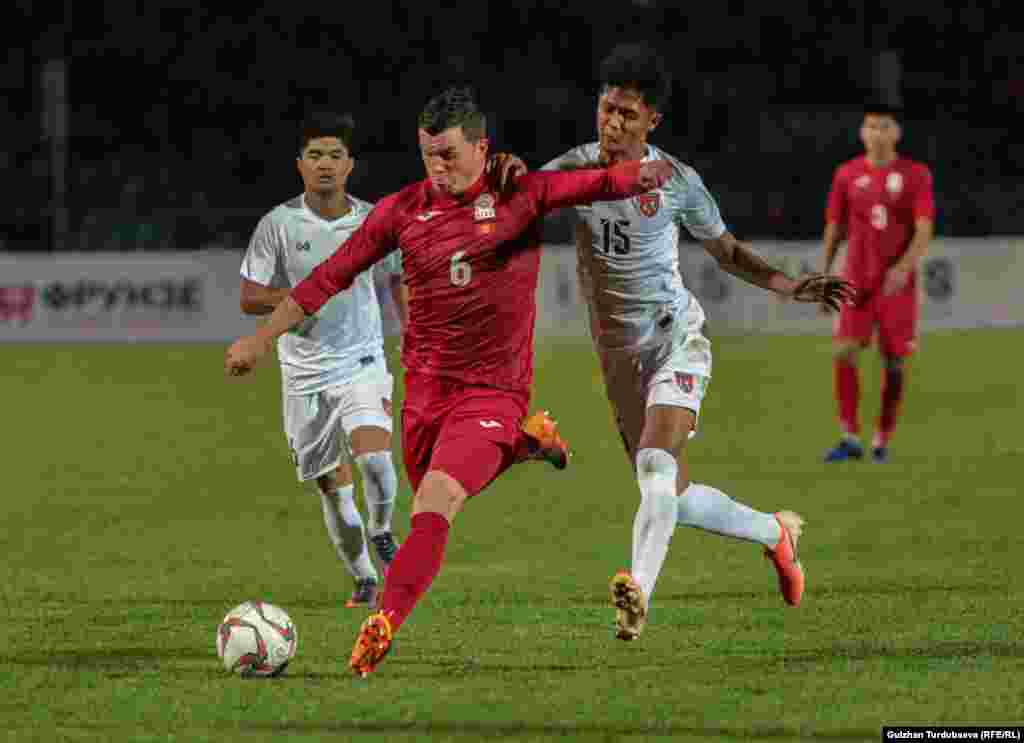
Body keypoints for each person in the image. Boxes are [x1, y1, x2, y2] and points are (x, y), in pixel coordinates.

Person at [225, 86, 676, 676]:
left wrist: (651, 171)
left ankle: (383, 623)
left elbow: (602, 182)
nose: (438, 167)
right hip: (425, 398)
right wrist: (261, 339)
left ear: (482, 149)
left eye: (450, 154)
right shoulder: (401, 212)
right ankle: (525, 442)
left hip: (492, 390)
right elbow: (326, 278)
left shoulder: (521, 194)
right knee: (431, 494)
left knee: (436, 501)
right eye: (428, 154)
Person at [542, 44, 856, 640]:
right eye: (607, 109)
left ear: (652, 121)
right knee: (670, 495)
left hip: (674, 340)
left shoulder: (679, 181)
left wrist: (791, 286)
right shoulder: (572, 171)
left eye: (628, 114)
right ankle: (775, 533)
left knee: (655, 466)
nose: (613, 123)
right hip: (618, 359)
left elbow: (728, 251)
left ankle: (636, 599)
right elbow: (521, 200)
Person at [239, 112, 406, 610]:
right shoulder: (278, 225)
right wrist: (300, 297)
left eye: (335, 155)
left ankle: (382, 530)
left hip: (361, 361)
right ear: (300, 164)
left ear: (350, 164)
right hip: (303, 372)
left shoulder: (374, 220)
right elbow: (249, 296)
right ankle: (364, 579)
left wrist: (414, 335)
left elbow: (400, 279)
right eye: (315, 155)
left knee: (375, 458)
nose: (325, 164)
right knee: (333, 487)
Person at [820, 103, 935, 464]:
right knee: (844, 350)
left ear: (896, 133)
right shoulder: (846, 174)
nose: (877, 133)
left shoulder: (916, 174)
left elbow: (924, 229)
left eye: (884, 126)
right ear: (862, 132)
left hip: (895, 285)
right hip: (856, 279)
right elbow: (835, 227)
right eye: (871, 126)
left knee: (894, 361)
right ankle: (850, 438)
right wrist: (825, 275)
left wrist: (904, 267)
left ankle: (882, 439)